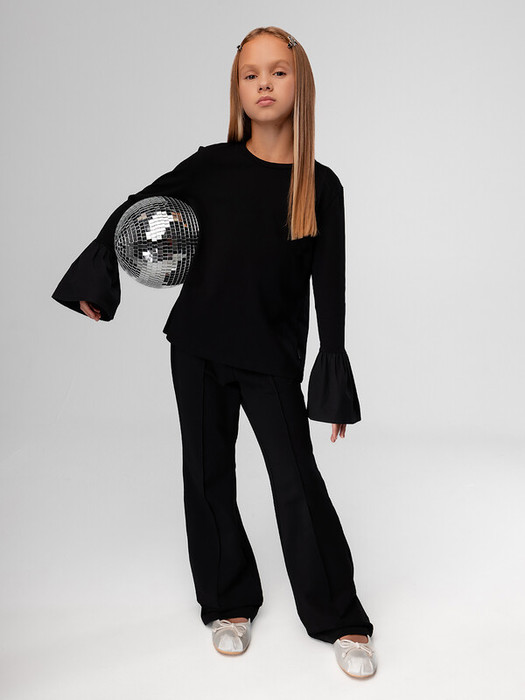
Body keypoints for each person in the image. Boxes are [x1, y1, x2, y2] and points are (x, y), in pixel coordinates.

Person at [51, 26, 377, 679]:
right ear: (237, 89)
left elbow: (330, 285)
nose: (263, 84)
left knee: (296, 483)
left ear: (301, 84)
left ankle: (341, 618)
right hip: (196, 346)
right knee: (206, 476)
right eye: (250, 74)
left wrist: (332, 378)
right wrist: (98, 278)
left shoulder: (320, 185)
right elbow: (136, 208)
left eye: (277, 71)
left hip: (269, 357)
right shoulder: (209, 166)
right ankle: (228, 603)